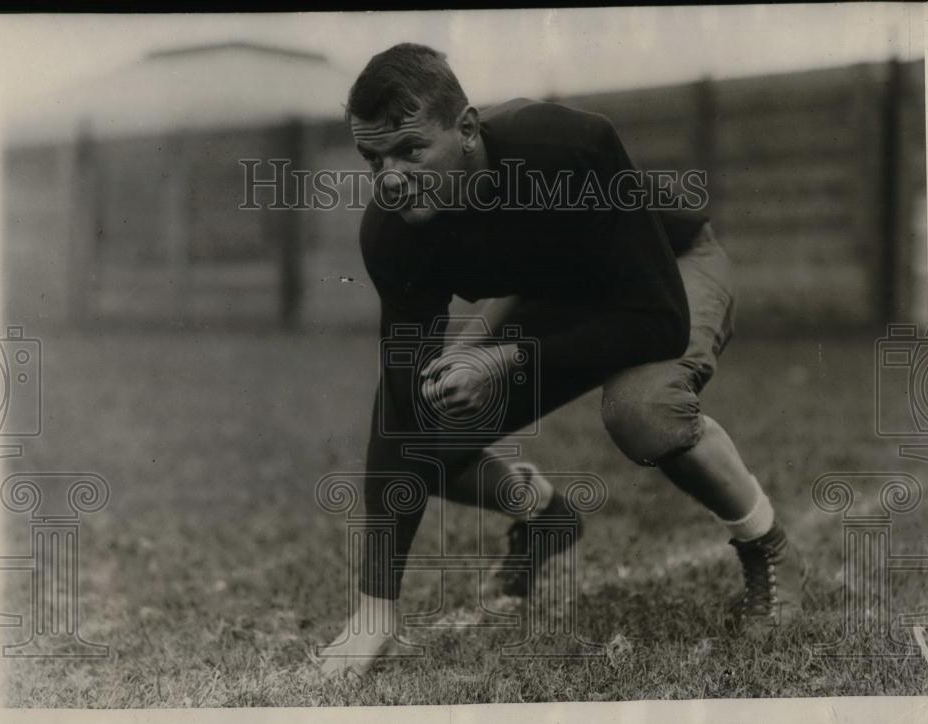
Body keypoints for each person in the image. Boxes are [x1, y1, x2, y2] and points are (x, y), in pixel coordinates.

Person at [318, 43, 807, 678]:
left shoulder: (566, 149)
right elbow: (400, 410)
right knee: (427, 422)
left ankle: (766, 545)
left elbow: (656, 319)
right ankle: (542, 511)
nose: (390, 176)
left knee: (643, 411)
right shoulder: (392, 230)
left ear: (466, 129)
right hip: (557, 291)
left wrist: (503, 359)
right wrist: (374, 611)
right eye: (373, 156)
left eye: (411, 149)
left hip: (667, 272)